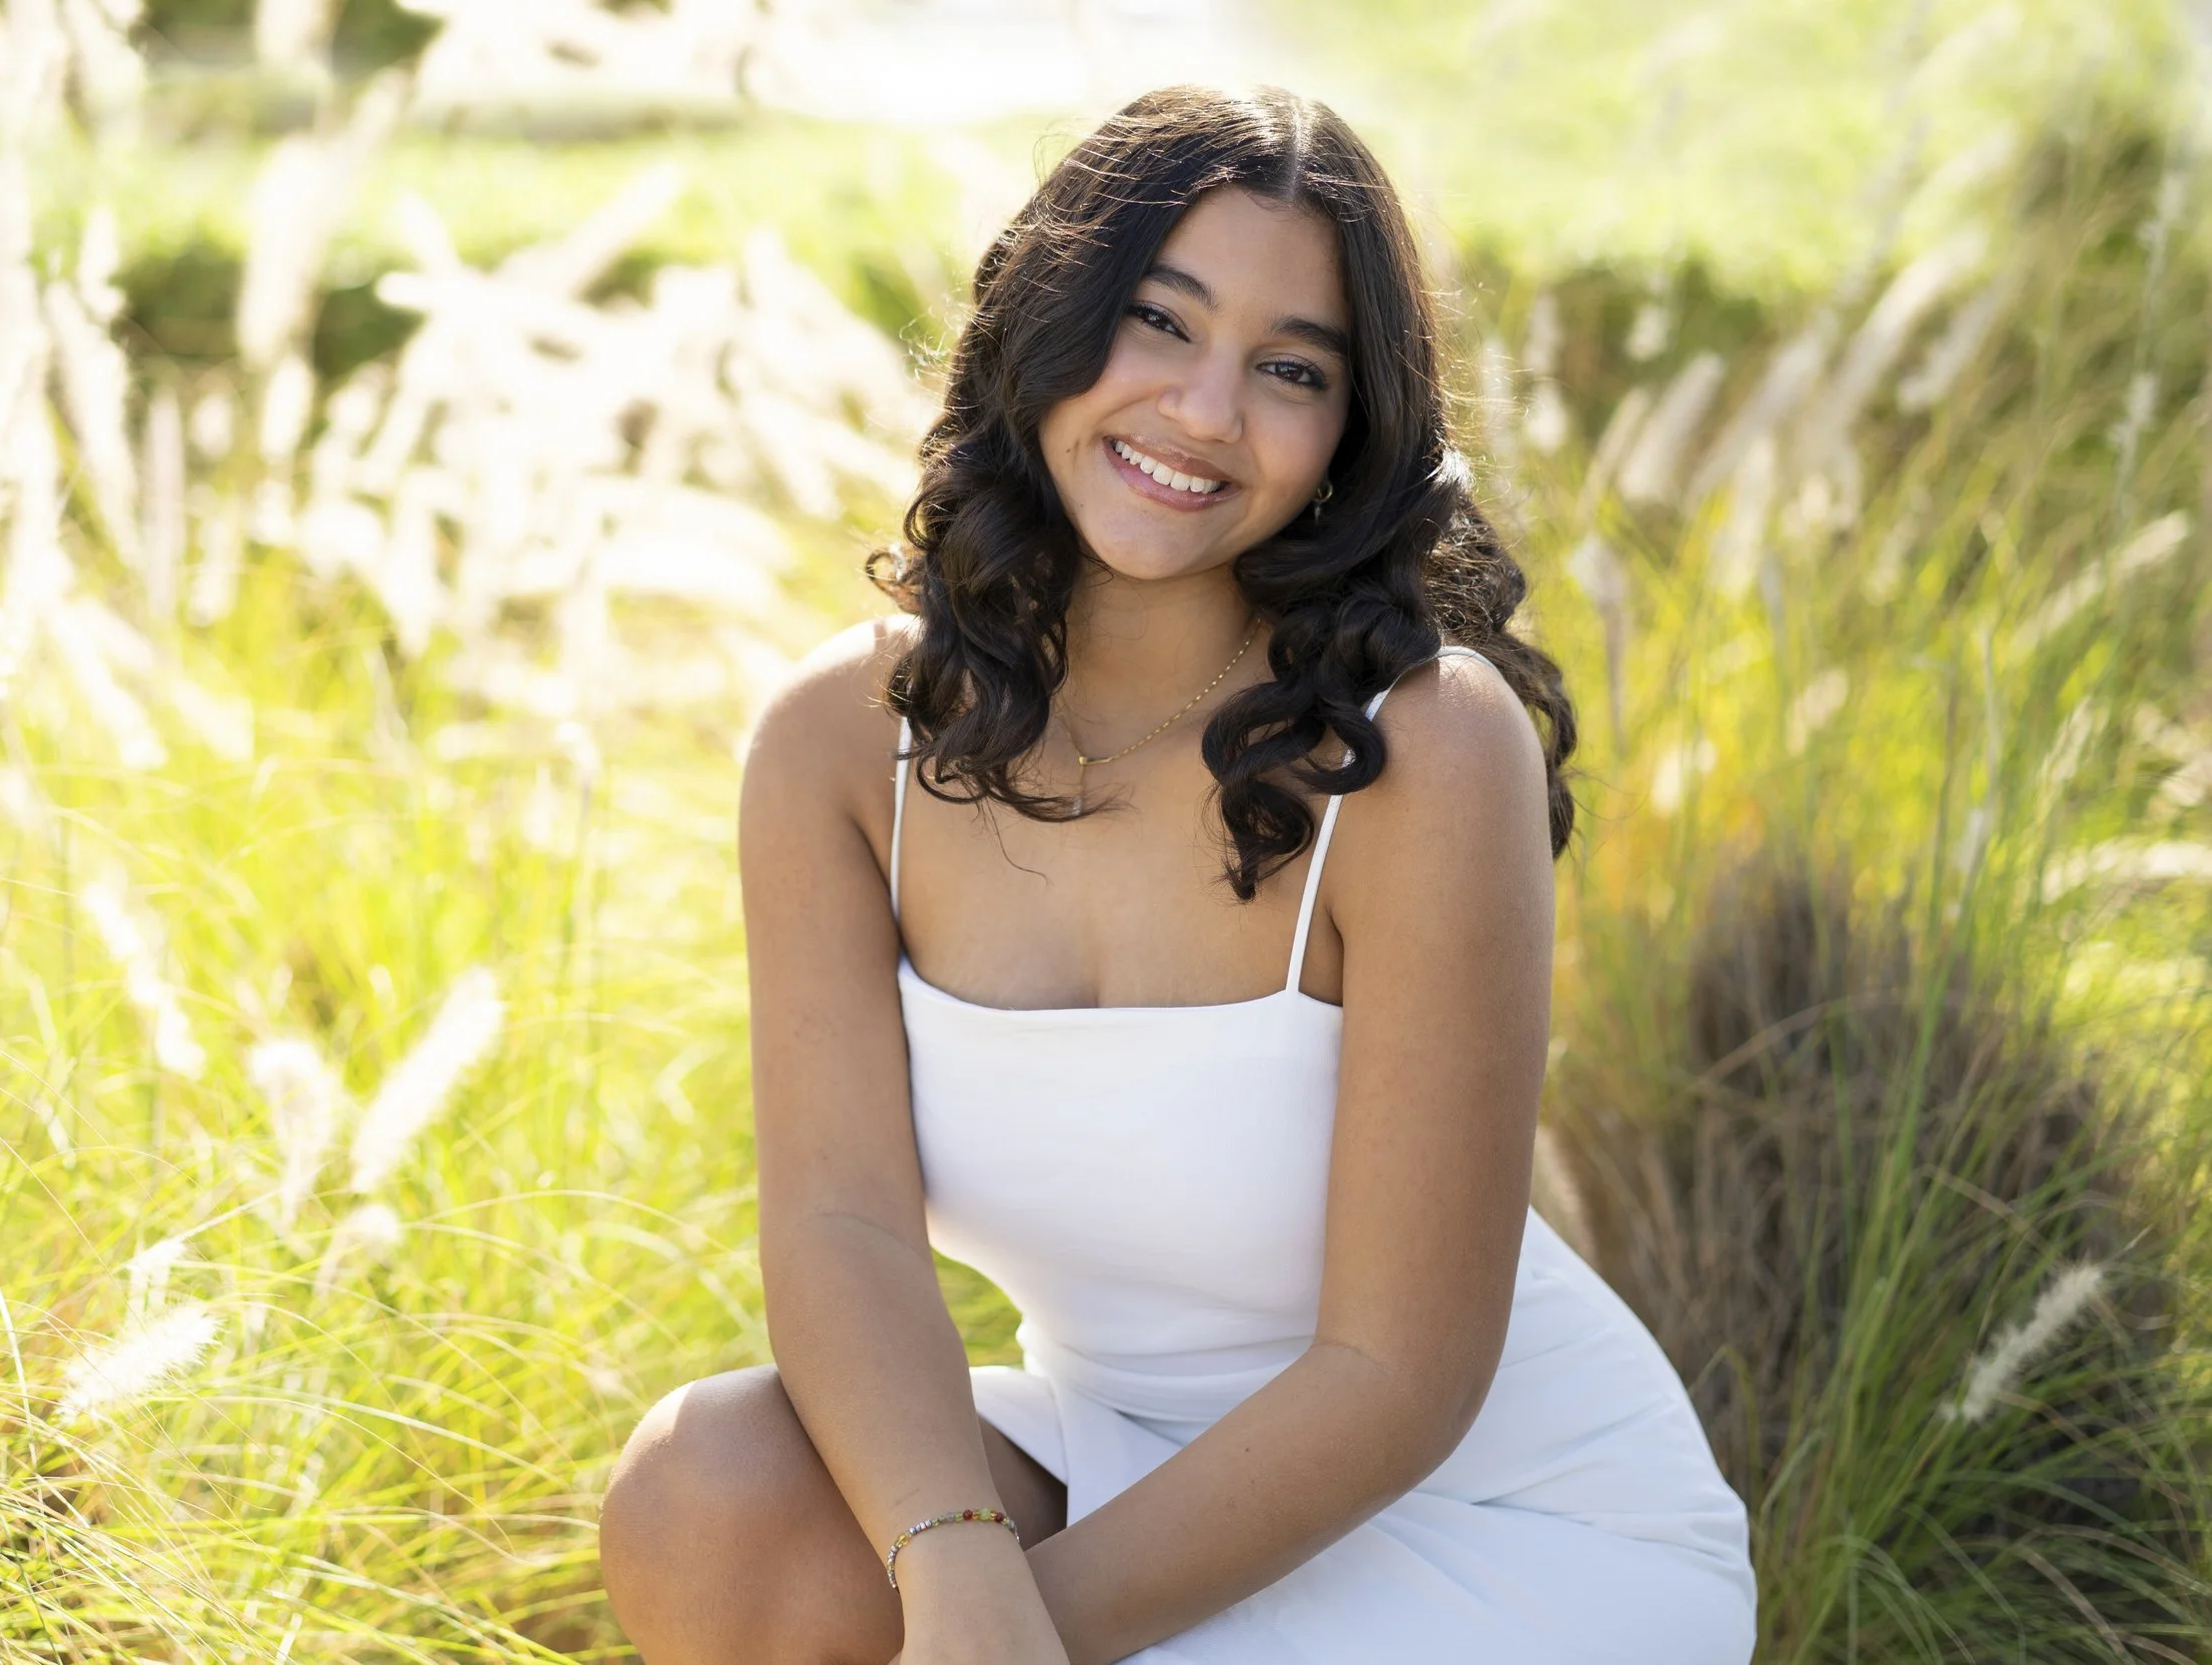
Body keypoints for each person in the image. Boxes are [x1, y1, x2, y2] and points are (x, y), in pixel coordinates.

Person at [597, 84, 1757, 1665]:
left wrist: (1002, 1642)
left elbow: (1395, 1374)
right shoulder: (836, 746)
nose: (1206, 411)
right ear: (1049, 322)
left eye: (1291, 370)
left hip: (1499, 1528)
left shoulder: (1421, 749)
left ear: (1351, 434)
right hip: (1117, 1452)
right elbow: (842, 1228)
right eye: (1160, 321)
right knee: (706, 1487)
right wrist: (952, 1576)